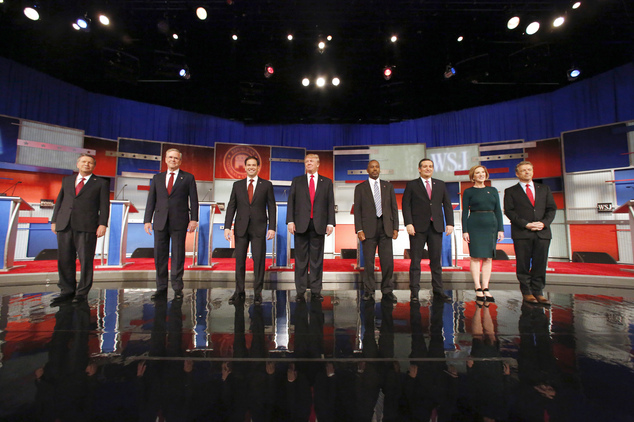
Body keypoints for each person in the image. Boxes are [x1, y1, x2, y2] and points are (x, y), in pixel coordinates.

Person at [50, 154, 109, 305]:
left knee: (85, 261)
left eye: (90, 163)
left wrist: (102, 224)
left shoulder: (100, 183)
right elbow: (60, 201)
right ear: (78, 164)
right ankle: (66, 291)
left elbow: (104, 205)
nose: (86, 164)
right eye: (83, 162)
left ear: (94, 166)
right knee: (64, 259)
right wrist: (54, 220)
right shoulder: (67, 180)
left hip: (87, 226)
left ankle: (82, 293)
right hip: (65, 224)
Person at [144, 148, 199, 301]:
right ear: (165, 159)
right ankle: (161, 287)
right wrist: (147, 220)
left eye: (176, 158)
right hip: (160, 222)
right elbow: (151, 200)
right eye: (170, 157)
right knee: (159, 256)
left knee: (178, 255)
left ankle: (177, 288)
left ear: (180, 161)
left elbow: (193, 200)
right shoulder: (157, 178)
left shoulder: (187, 178)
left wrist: (194, 219)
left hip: (179, 222)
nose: (173, 160)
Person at [224, 155, 276, 305]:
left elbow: (271, 207)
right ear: (245, 167)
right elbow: (231, 206)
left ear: (258, 167)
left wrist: (271, 227)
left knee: (258, 261)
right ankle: (239, 291)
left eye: (254, 165)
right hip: (240, 228)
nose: (251, 167)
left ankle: (257, 292)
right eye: (249, 165)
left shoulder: (266, 185)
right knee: (239, 261)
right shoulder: (237, 185)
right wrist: (228, 226)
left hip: (259, 228)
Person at [504, 161, 557, 305]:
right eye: (523, 170)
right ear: (517, 174)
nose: (527, 172)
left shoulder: (544, 189)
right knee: (523, 264)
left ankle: (538, 292)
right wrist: (525, 224)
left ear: (532, 171)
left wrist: (544, 223)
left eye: (529, 170)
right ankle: (527, 292)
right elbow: (509, 211)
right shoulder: (511, 191)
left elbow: (551, 209)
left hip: (542, 232)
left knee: (540, 263)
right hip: (522, 232)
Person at [402, 158, 454, 303]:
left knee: (436, 262)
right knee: (416, 262)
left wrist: (449, 223)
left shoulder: (441, 184)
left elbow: (447, 205)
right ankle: (414, 293)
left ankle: (438, 291)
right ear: (419, 169)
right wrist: (408, 223)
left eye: (430, 166)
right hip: (417, 228)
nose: (428, 169)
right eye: (425, 166)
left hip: (436, 227)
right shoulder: (412, 185)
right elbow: (406, 205)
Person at [287, 153, 335, 302]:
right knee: (300, 260)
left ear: (318, 163)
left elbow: (329, 203)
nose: (308, 163)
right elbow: (291, 202)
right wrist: (290, 221)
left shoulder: (326, 182)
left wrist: (330, 223)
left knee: (316, 260)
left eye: (311, 161)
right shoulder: (297, 181)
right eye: (306, 161)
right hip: (300, 225)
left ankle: (315, 290)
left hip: (319, 225)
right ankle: (300, 292)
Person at [353, 159, 399, 303]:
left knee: (387, 262)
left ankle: (387, 290)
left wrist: (396, 227)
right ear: (367, 170)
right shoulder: (360, 188)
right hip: (368, 230)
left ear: (379, 169)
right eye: (372, 167)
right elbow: (358, 211)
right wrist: (359, 229)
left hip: (386, 228)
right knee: (368, 262)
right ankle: (369, 291)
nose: (375, 169)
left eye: (377, 167)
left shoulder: (388, 186)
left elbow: (394, 208)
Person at [462, 165, 504, 303]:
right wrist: (465, 230)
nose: (480, 175)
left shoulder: (492, 190)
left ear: (486, 174)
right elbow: (464, 213)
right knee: (475, 257)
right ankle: (477, 287)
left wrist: (500, 229)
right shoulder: (468, 192)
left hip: (491, 224)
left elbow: (498, 210)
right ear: (473, 176)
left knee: (488, 258)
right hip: (474, 224)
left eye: (483, 172)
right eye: (477, 173)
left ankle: (486, 287)